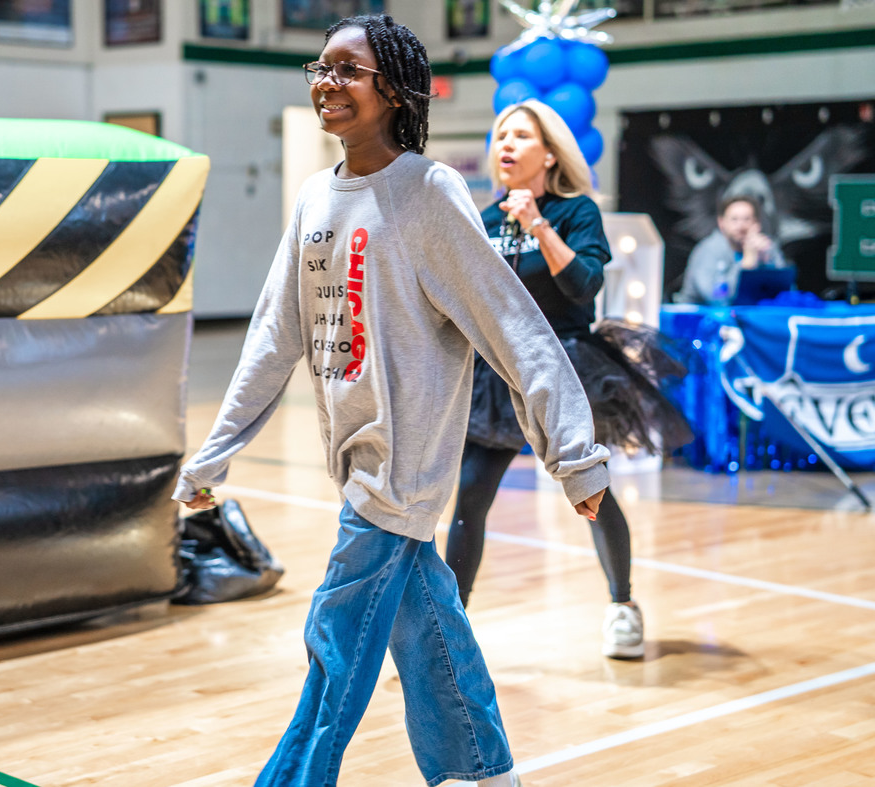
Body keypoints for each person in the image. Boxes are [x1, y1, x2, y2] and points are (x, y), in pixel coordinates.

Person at [173, 15, 610, 787]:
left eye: (349, 69)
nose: (327, 82)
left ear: (395, 90)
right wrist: (214, 455)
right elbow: (274, 339)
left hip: (400, 469)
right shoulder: (313, 200)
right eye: (322, 66)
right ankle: (482, 771)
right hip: (354, 462)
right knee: (426, 626)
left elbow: (513, 326)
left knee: (335, 642)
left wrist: (573, 454)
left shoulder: (426, 192)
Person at [445, 99, 692, 660]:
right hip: (498, 375)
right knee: (470, 501)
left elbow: (583, 286)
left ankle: (623, 607)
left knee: (593, 494)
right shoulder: (482, 222)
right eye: (500, 135)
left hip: (566, 368)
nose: (505, 144)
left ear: (549, 153)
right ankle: (450, 631)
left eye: (520, 135)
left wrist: (536, 221)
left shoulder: (576, 212)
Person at [675, 194, 787, 306]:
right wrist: (746, 265)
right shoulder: (708, 250)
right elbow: (716, 299)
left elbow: (786, 293)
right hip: (698, 316)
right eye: (734, 219)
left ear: (757, 224)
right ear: (721, 223)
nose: (741, 226)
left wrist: (766, 262)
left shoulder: (766, 247)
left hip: (749, 316)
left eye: (747, 219)